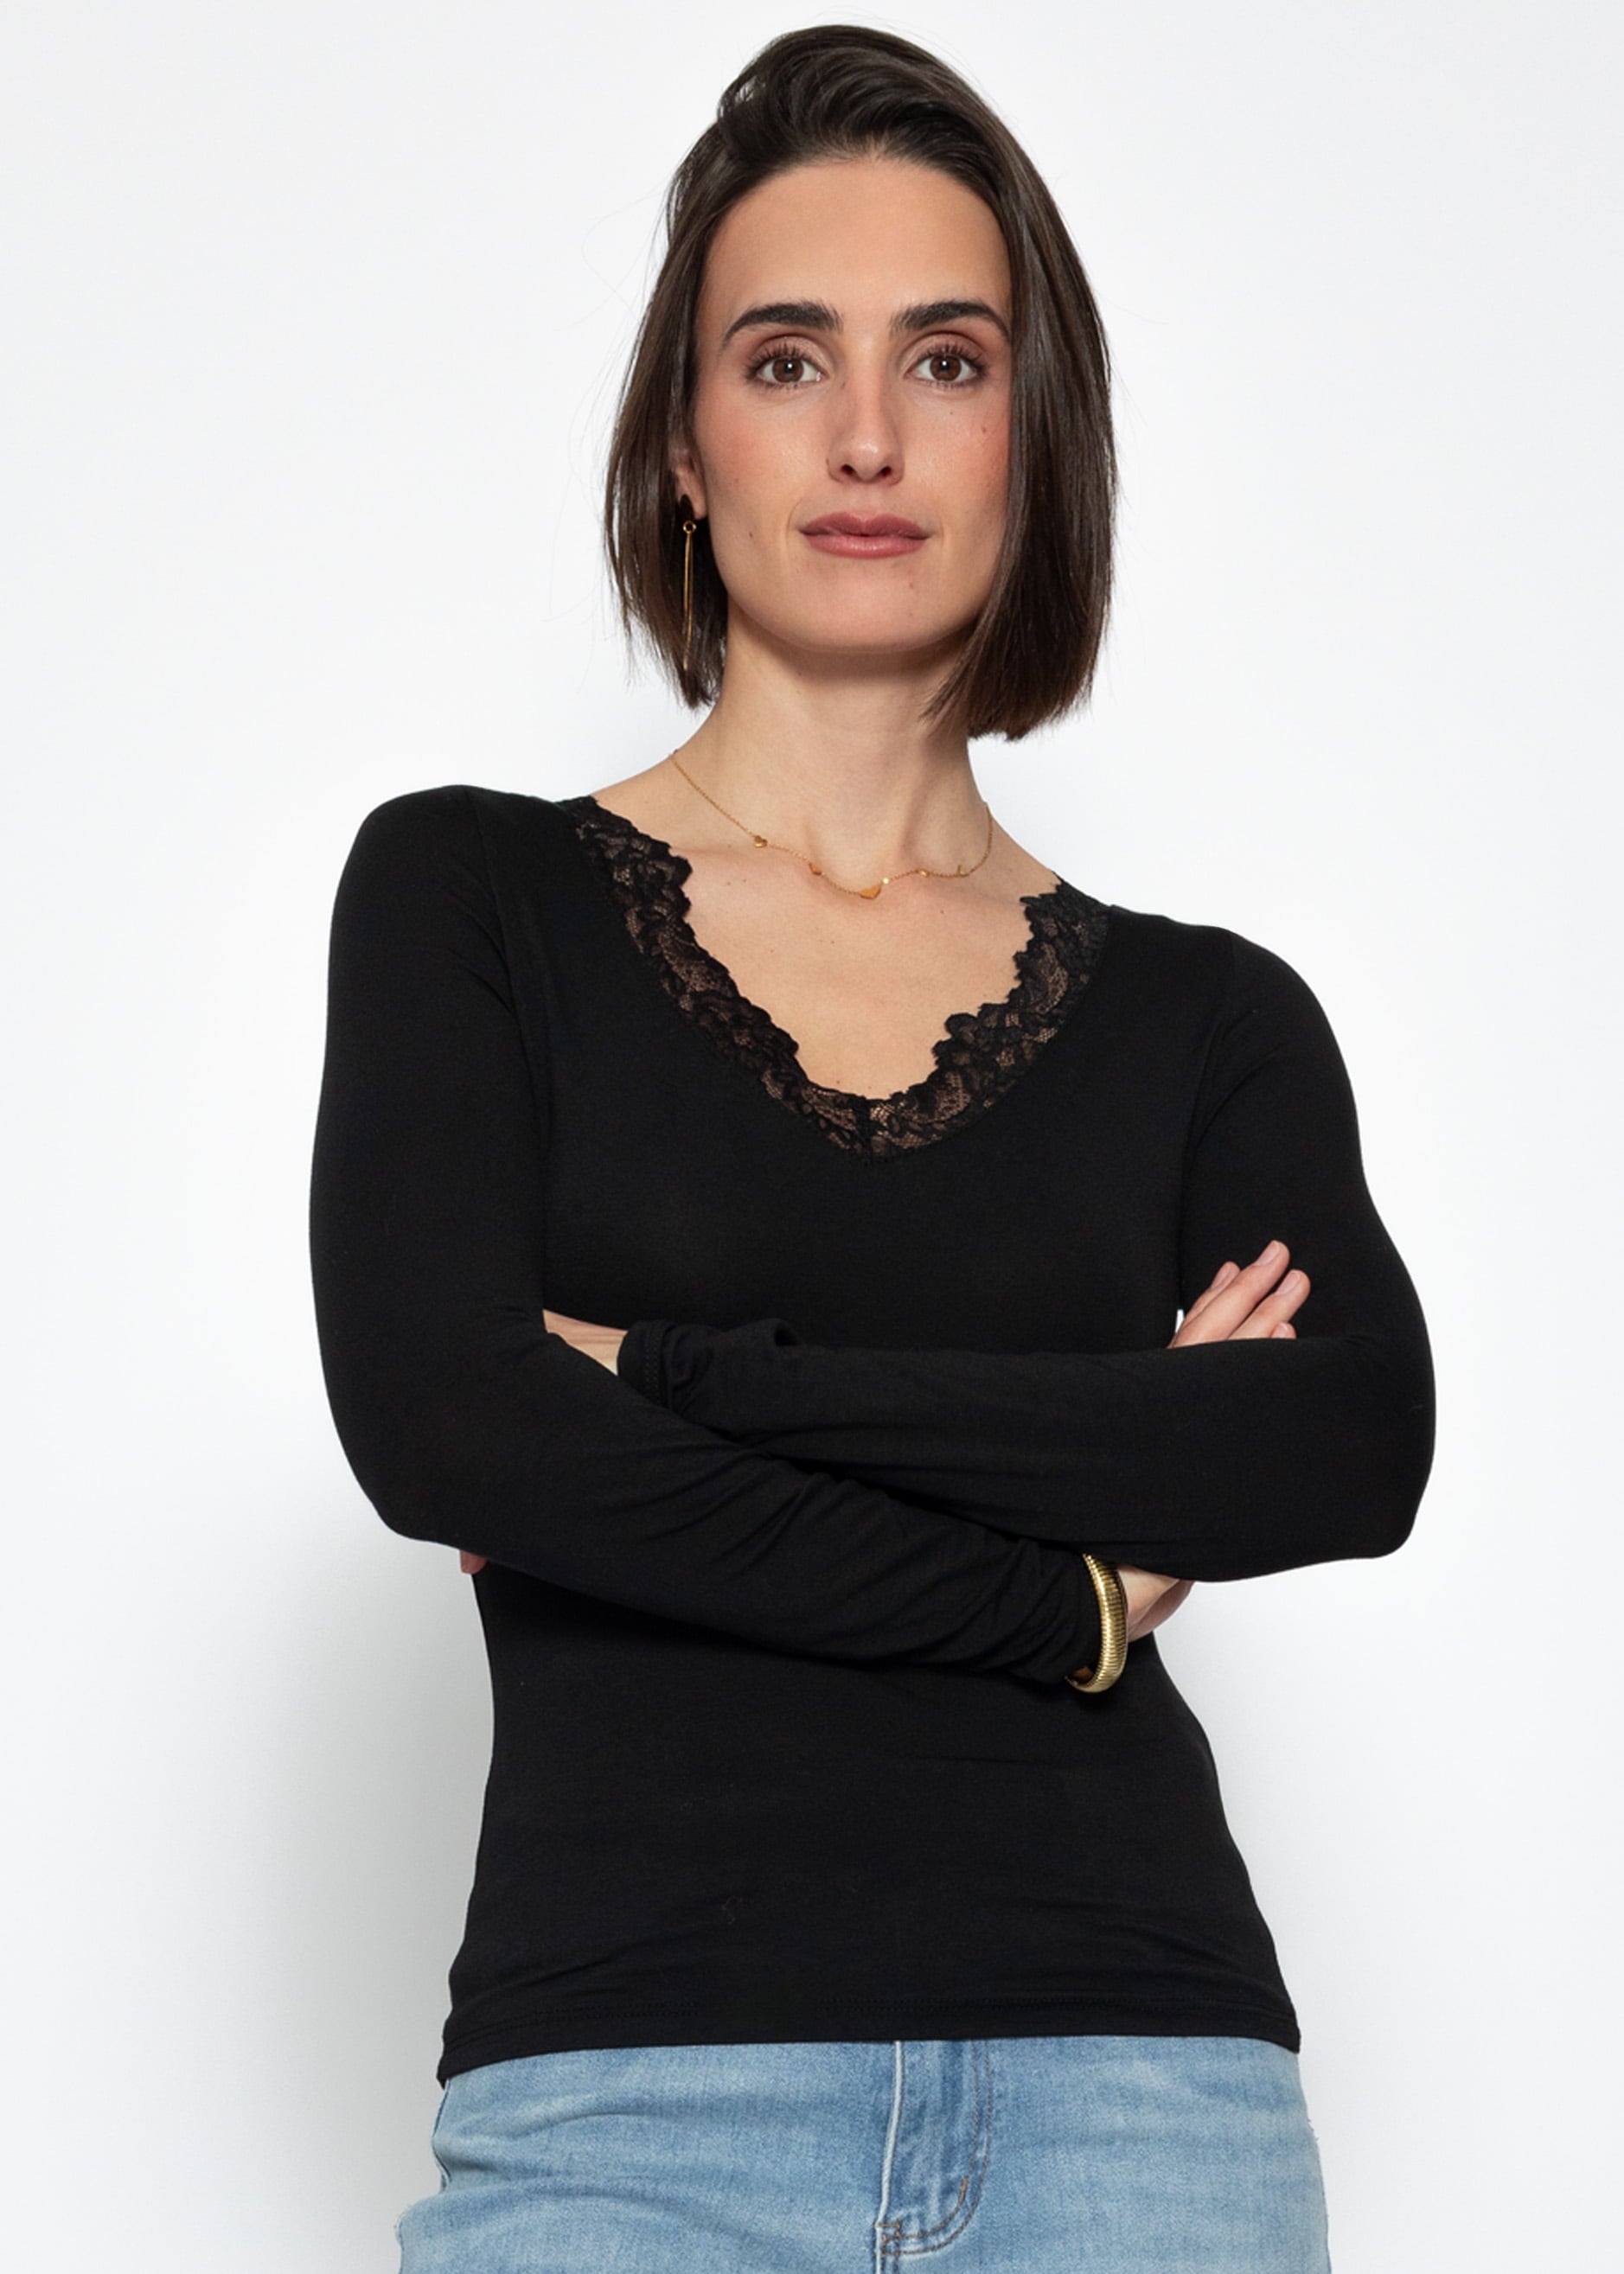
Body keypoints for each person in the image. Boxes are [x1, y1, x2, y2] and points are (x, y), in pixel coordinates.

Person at [309, 25, 1434, 2272]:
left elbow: (1342, 1449)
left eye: (945, 359)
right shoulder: (470, 900)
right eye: (785, 357)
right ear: (684, 444)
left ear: (1035, 438)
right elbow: (445, 1420)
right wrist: (1066, 1590)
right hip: (630, 2103)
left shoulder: (1209, 1019)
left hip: (1148, 2108)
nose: (864, 436)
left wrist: (655, 1377)